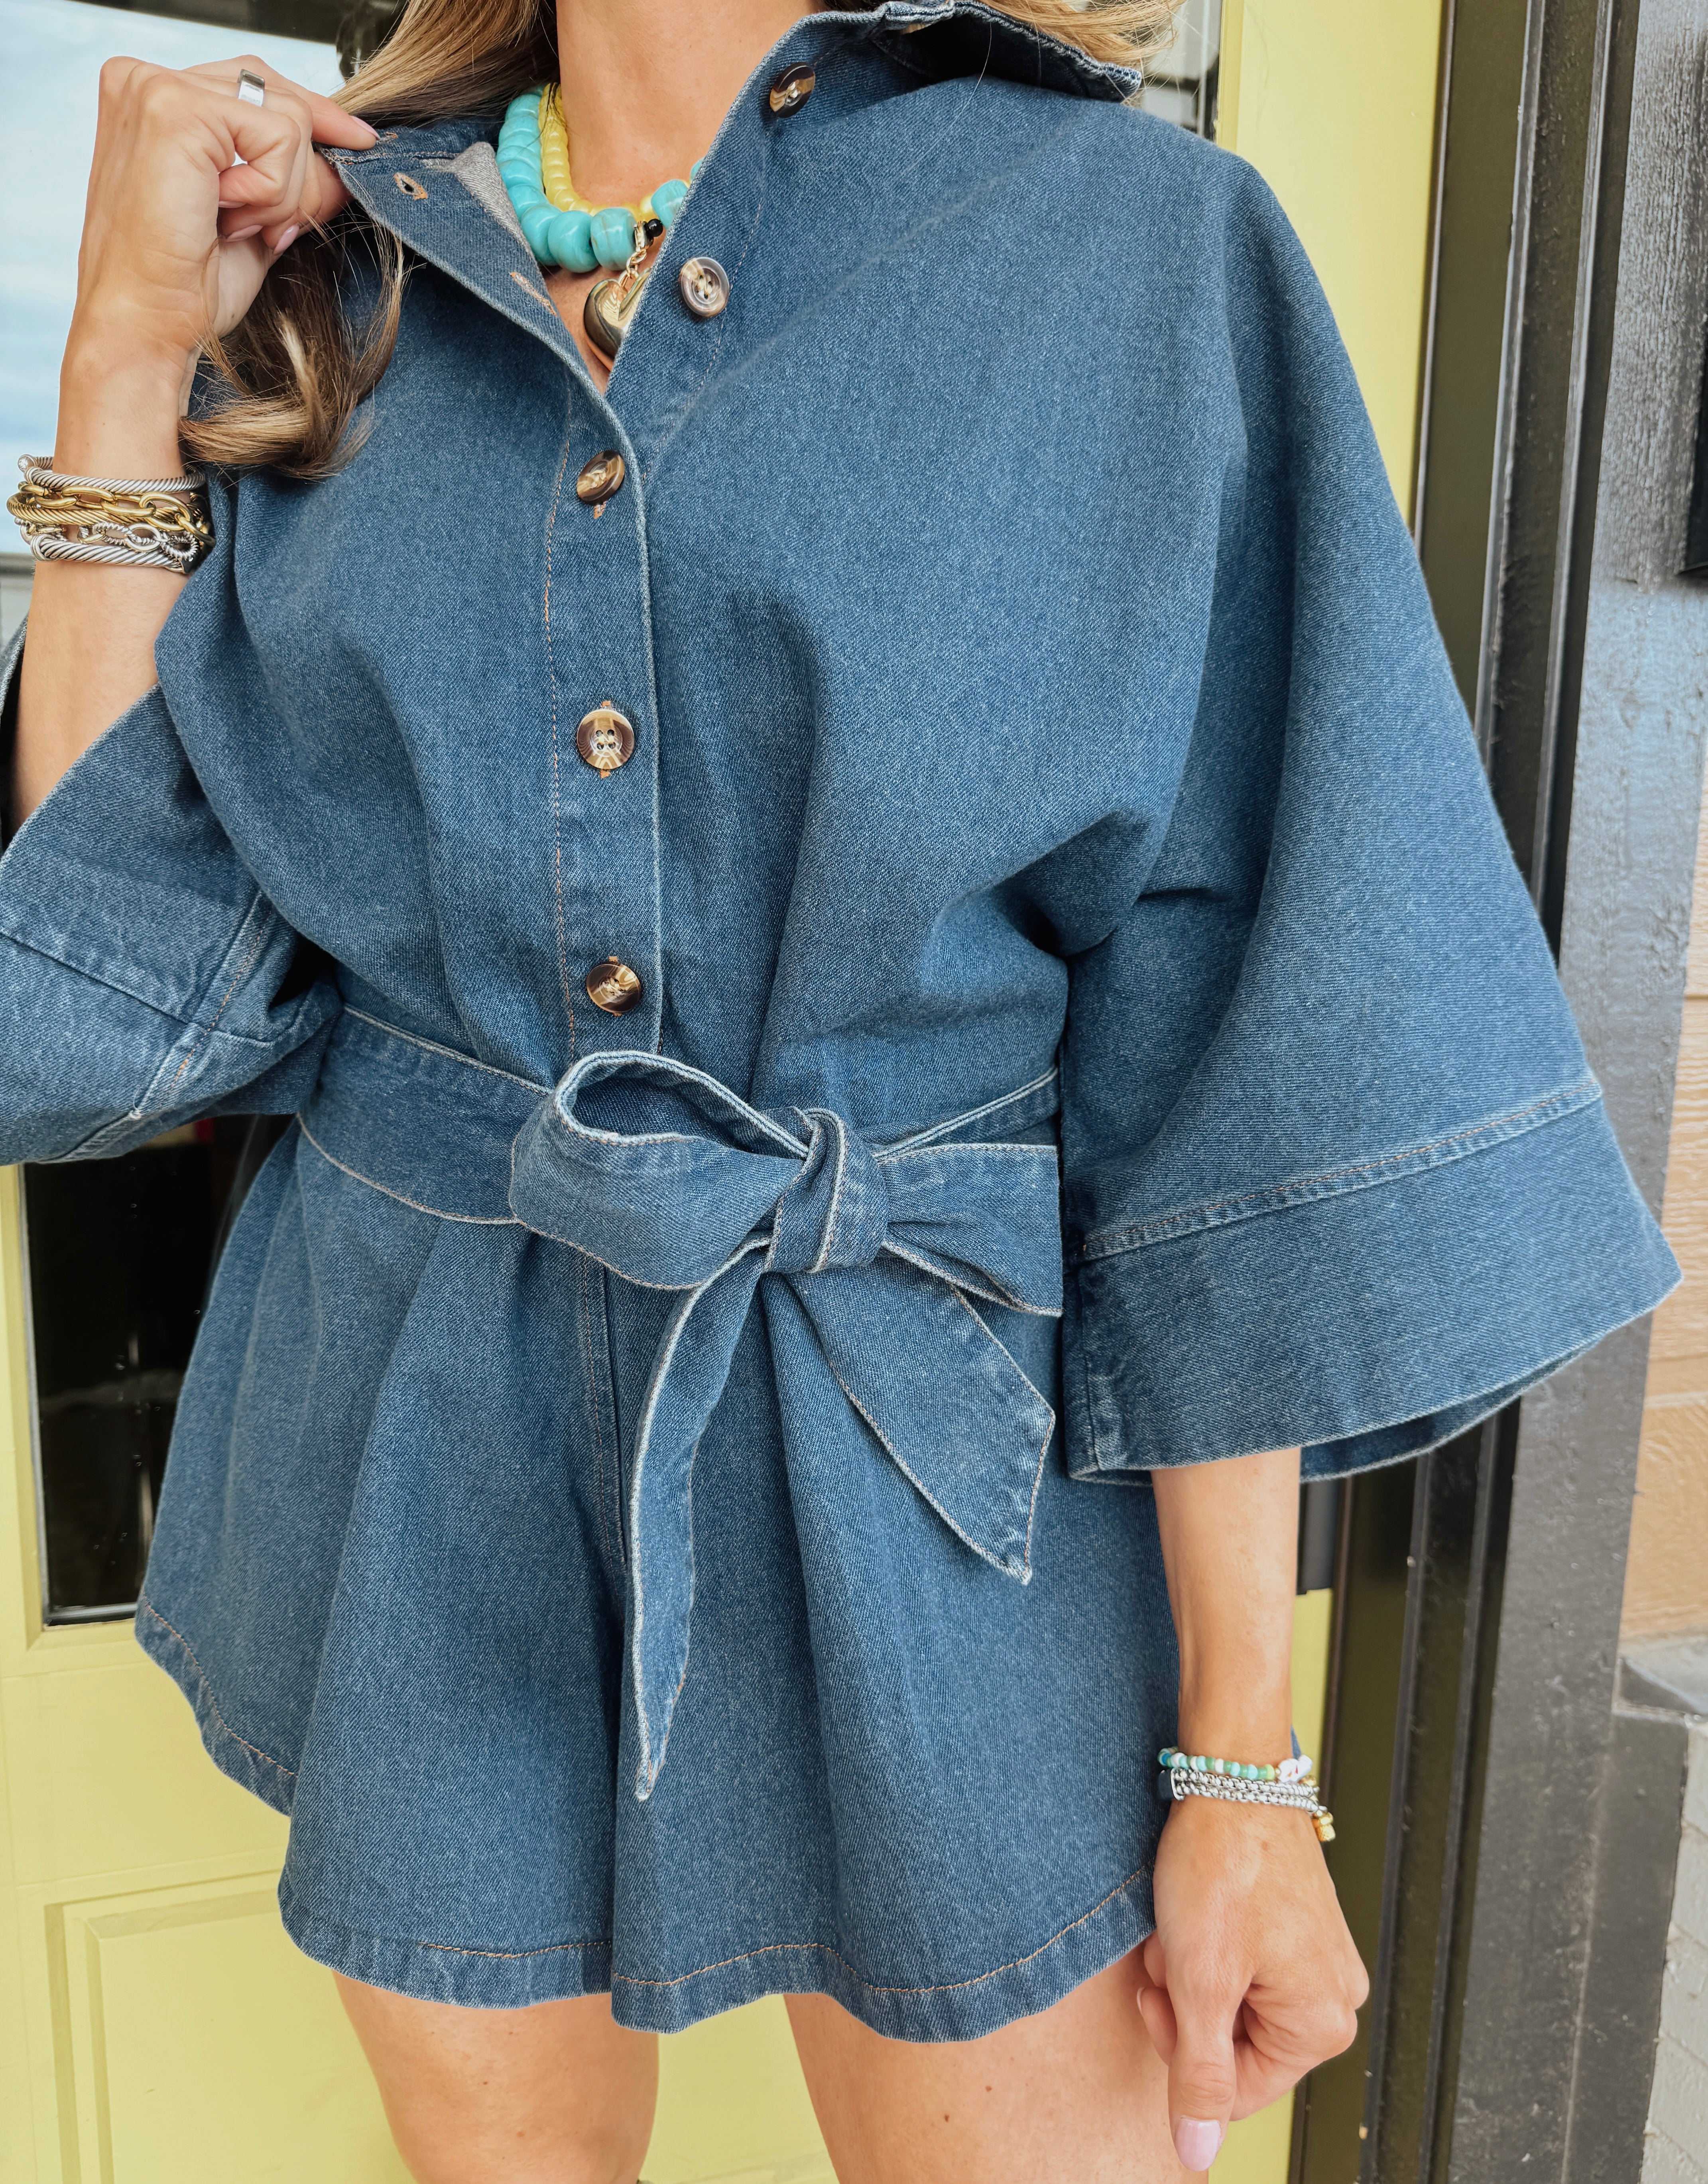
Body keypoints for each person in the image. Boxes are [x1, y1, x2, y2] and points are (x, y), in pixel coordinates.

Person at [0, 0, 1677, 2177]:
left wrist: (1242, 1770)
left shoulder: (1131, 250)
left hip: (936, 1456)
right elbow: (104, 1002)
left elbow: (1230, 1060)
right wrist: (126, 355)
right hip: (420, 1449)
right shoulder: (334, 275)